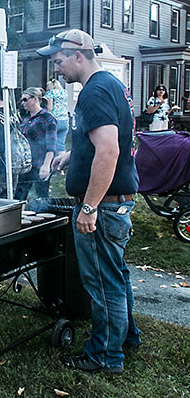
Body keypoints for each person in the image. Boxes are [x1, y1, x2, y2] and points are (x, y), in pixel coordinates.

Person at [42, 29, 140, 375]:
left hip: (105, 204)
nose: (55, 70)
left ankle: (105, 355)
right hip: (118, 199)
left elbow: (110, 150)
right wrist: (75, 154)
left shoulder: (94, 91)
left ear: (78, 55)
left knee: (103, 280)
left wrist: (89, 206)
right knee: (117, 273)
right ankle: (127, 336)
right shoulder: (110, 85)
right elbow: (106, 140)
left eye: (58, 62)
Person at [15, 87, 57, 201]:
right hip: (26, 166)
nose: (22, 103)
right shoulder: (26, 118)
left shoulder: (47, 118)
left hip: (40, 164)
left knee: (42, 198)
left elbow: (52, 145)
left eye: (25, 99)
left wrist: (46, 165)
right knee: (19, 197)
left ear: (35, 99)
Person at [44, 79, 68, 152]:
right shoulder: (64, 92)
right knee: (61, 145)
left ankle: (51, 162)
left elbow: (50, 108)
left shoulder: (50, 93)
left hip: (54, 120)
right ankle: (61, 162)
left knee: (51, 144)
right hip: (65, 120)